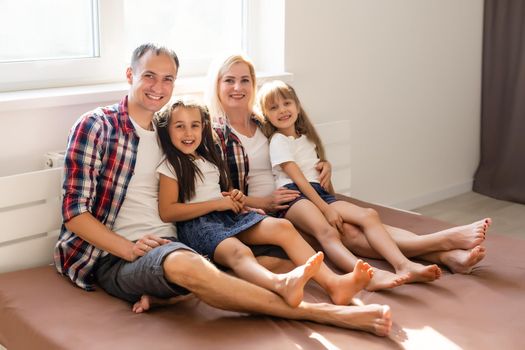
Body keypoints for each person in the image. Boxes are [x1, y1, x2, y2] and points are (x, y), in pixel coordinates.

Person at [53, 43, 392, 336]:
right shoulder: (97, 126)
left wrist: (316, 164)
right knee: (192, 268)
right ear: (130, 75)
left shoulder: (169, 130)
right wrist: (129, 249)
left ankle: (331, 286)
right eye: (149, 76)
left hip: (178, 241)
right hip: (117, 257)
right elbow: (74, 214)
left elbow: (236, 160)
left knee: (269, 258)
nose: (158, 86)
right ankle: (326, 314)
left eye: (168, 78)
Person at [206, 53, 490, 291]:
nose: (237, 87)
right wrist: (263, 203)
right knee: (347, 233)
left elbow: (298, 153)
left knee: (356, 224)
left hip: (302, 195)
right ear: (217, 85)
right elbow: (216, 193)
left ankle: (447, 256)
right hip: (267, 212)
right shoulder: (213, 134)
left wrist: (324, 165)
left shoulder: (265, 122)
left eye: (245, 80)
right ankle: (443, 245)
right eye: (229, 80)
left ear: (253, 85)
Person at [155, 98, 375, 307]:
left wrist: (232, 197)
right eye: (179, 126)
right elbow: (168, 212)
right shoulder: (171, 165)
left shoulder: (207, 160)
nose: (188, 133)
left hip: (227, 216)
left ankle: (333, 283)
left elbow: (212, 194)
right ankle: (281, 285)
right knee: (239, 252)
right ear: (168, 130)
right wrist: (215, 204)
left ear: (203, 128)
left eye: (194, 125)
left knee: (283, 227)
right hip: (199, 226)